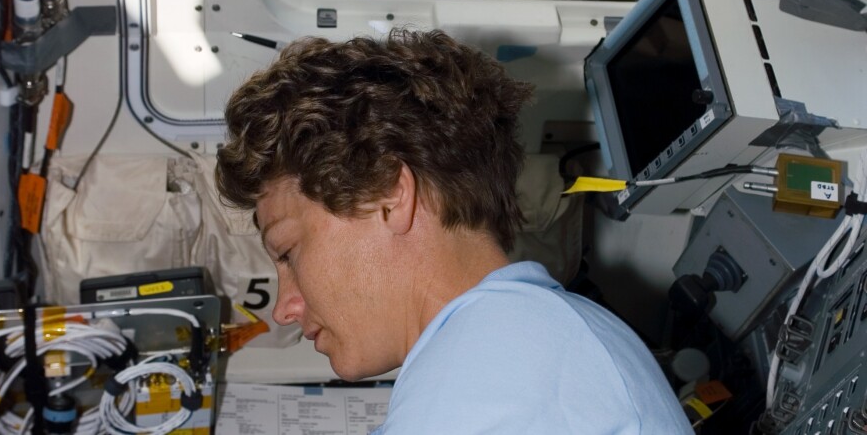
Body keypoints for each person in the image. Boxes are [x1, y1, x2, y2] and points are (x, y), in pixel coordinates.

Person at [215, 29, 693, 434]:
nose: (283, 308)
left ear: (387, 195)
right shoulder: (524, 336)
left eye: (289, 253)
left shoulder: (488, 383)